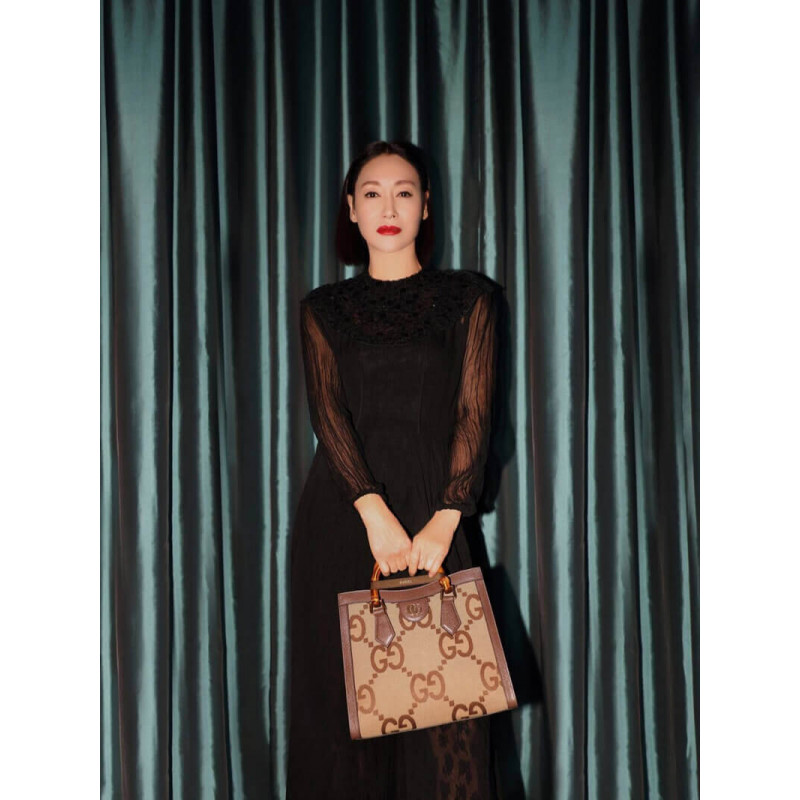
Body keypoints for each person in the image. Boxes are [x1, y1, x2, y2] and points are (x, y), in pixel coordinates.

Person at [286, 140, 500, 799]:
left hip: (436, 517)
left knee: (448, 726)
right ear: (350, 209)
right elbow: (328, 415)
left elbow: (475, 412)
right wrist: (373, 513)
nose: (388, 207)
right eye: (372, 193)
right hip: (343, 521)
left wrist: (445, 518)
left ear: (425, 205)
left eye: (403, 192)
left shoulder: (469, 298)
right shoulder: (322, 308)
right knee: (346, 729)